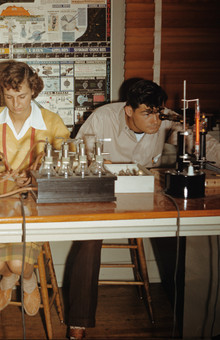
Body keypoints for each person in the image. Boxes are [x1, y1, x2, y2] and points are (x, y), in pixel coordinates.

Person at [65, 79, 220, 339]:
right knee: (89, 240)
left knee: (182, 231)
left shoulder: (165, 120)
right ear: (128, 111)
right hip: (105, 194)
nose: (155, 121)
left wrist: (198, 139)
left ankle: (194, 322)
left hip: (148, 197)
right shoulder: (103, 118)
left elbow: (207, 144)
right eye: (147, 113)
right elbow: (77, 152)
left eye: (157, 112)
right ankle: (77, 324)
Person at [0, 61, 70, 316]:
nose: (16, 104)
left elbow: (67, 161)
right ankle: (14, 278)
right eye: (9, 96)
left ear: (34, 91)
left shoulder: (51, 122)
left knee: (17, 263)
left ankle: (23, 280)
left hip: (34, 204)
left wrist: (37, 174)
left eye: (22, 96)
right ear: (1, 93)